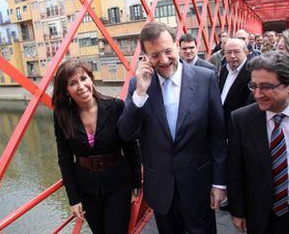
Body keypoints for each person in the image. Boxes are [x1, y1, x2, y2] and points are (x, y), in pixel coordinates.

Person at [118, 21, 227, 234]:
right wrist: (140, 93)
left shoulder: (205, 79)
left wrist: (219, 183)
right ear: (146, 58)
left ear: (177, 46)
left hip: (197, 184)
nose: (165, 60)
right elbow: (126, 133)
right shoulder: (137, 85)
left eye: (168, 51)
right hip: (161, 188)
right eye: (155, 55)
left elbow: (218, 136)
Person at [228, 51, 289, 234]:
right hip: (261, 215)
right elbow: (235, 170)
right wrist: (237, 211)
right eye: (253, 86)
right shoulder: (241, 119)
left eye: (266, 87)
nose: (258, 94)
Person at [52, 60, 141, 234]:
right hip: (87, 188)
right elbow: (64, 158)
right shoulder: (62, 117)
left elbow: (131, 147)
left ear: (91, 79)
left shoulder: (116, 107)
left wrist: (137, 181)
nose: (81, 86)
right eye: (73, 83)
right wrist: (73, 198)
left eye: (83, 78)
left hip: (118, 183)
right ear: (66, 91)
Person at [219, 38, 251, 128]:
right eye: (228, 52)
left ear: (246, 52)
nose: (232, 56)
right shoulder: (224, 69)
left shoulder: (252, 72)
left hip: (240, 126)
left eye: (236, 52)